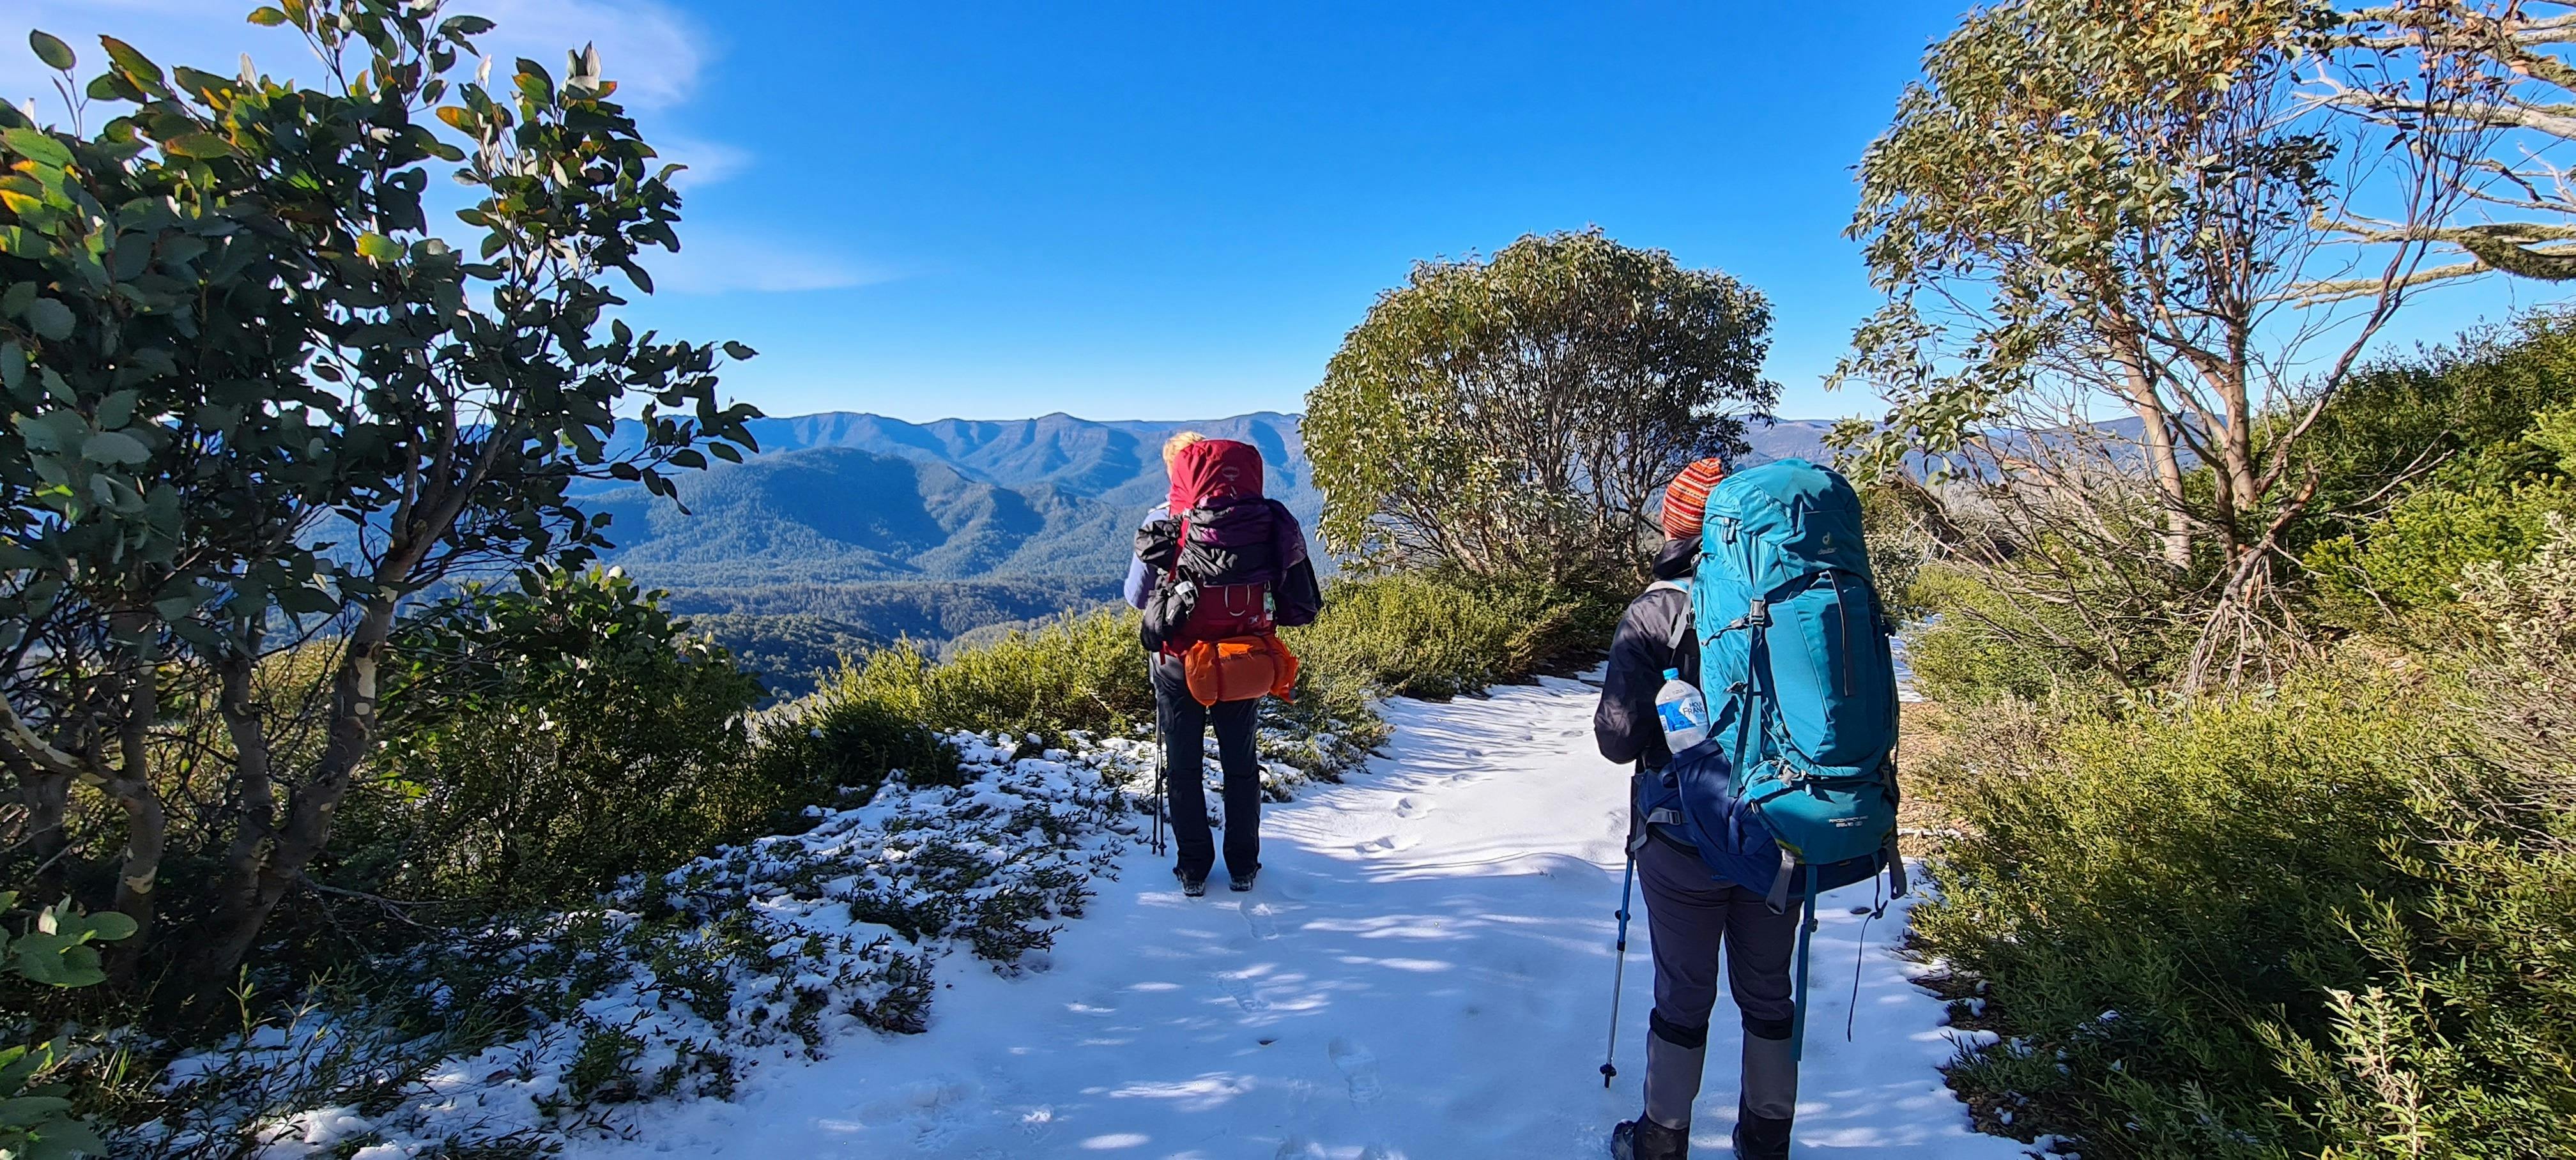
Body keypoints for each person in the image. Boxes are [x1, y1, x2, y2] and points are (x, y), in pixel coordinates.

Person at [1593, 457, 1799, 1160]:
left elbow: (1617, 741)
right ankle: (1767, 1139)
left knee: (1685, 994)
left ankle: (1661, 1141)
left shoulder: (1658, 611)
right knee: (1770, 994)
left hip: (1683, 836)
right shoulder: (1794, 596)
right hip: (1780, 830)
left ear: (1679, 528)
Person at [1124, 431, 1321, 896]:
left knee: (1184, 765)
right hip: (1244, 659)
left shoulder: (1163, 521)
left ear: (1179, 473)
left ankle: (1193, 868)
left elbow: (1137, 596)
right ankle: (1243, 866)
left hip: (1179, 662)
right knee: (1240, 763)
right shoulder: (1264, 519)